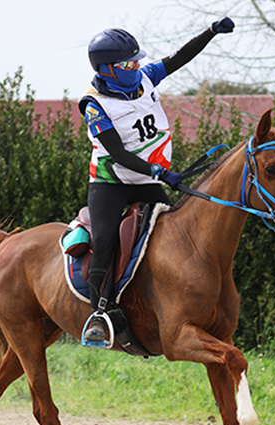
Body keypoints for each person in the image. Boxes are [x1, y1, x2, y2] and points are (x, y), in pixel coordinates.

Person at [78, 17, 235, 344]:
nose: (136, 67)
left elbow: (178, 58)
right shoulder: (93, 104)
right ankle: (99, 314)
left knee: (178, 232)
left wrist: (209, 33)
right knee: (105, 239)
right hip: (111, 182)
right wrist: (160, 173)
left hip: (147, 178)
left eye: (137, 61)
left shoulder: (145, 78)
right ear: (107, 69)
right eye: (128, 63)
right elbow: (118, 153)